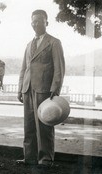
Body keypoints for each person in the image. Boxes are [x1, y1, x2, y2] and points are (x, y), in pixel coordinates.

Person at [16, 9, 65, 168]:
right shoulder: (29, 44)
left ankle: (45, 159)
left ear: (46, 23)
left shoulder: (54, 42)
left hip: (45, 89)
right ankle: (29, 157)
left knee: (44, 125)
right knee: (29, 124)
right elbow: (24, 68)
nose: (36, 24)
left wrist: (55, 88)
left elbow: (59, 67)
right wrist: (20, 88)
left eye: (40, 21)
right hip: (27, 88)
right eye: (34, 21)